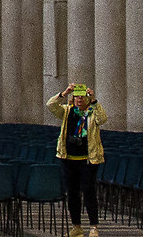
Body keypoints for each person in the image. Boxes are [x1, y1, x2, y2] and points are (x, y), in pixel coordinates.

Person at [49, 83, 105, 235]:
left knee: (88, 191)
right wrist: (64, 93)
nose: (79, 100)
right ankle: (76, 227)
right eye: (76, 97)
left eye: (82, 97)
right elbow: (51, 105)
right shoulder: (67, 111)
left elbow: (103, 118)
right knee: (72, 193)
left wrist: (94, 100)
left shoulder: (92, 112)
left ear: (86, 98)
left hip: (88, 159)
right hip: (68, 158)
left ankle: (93, 226)